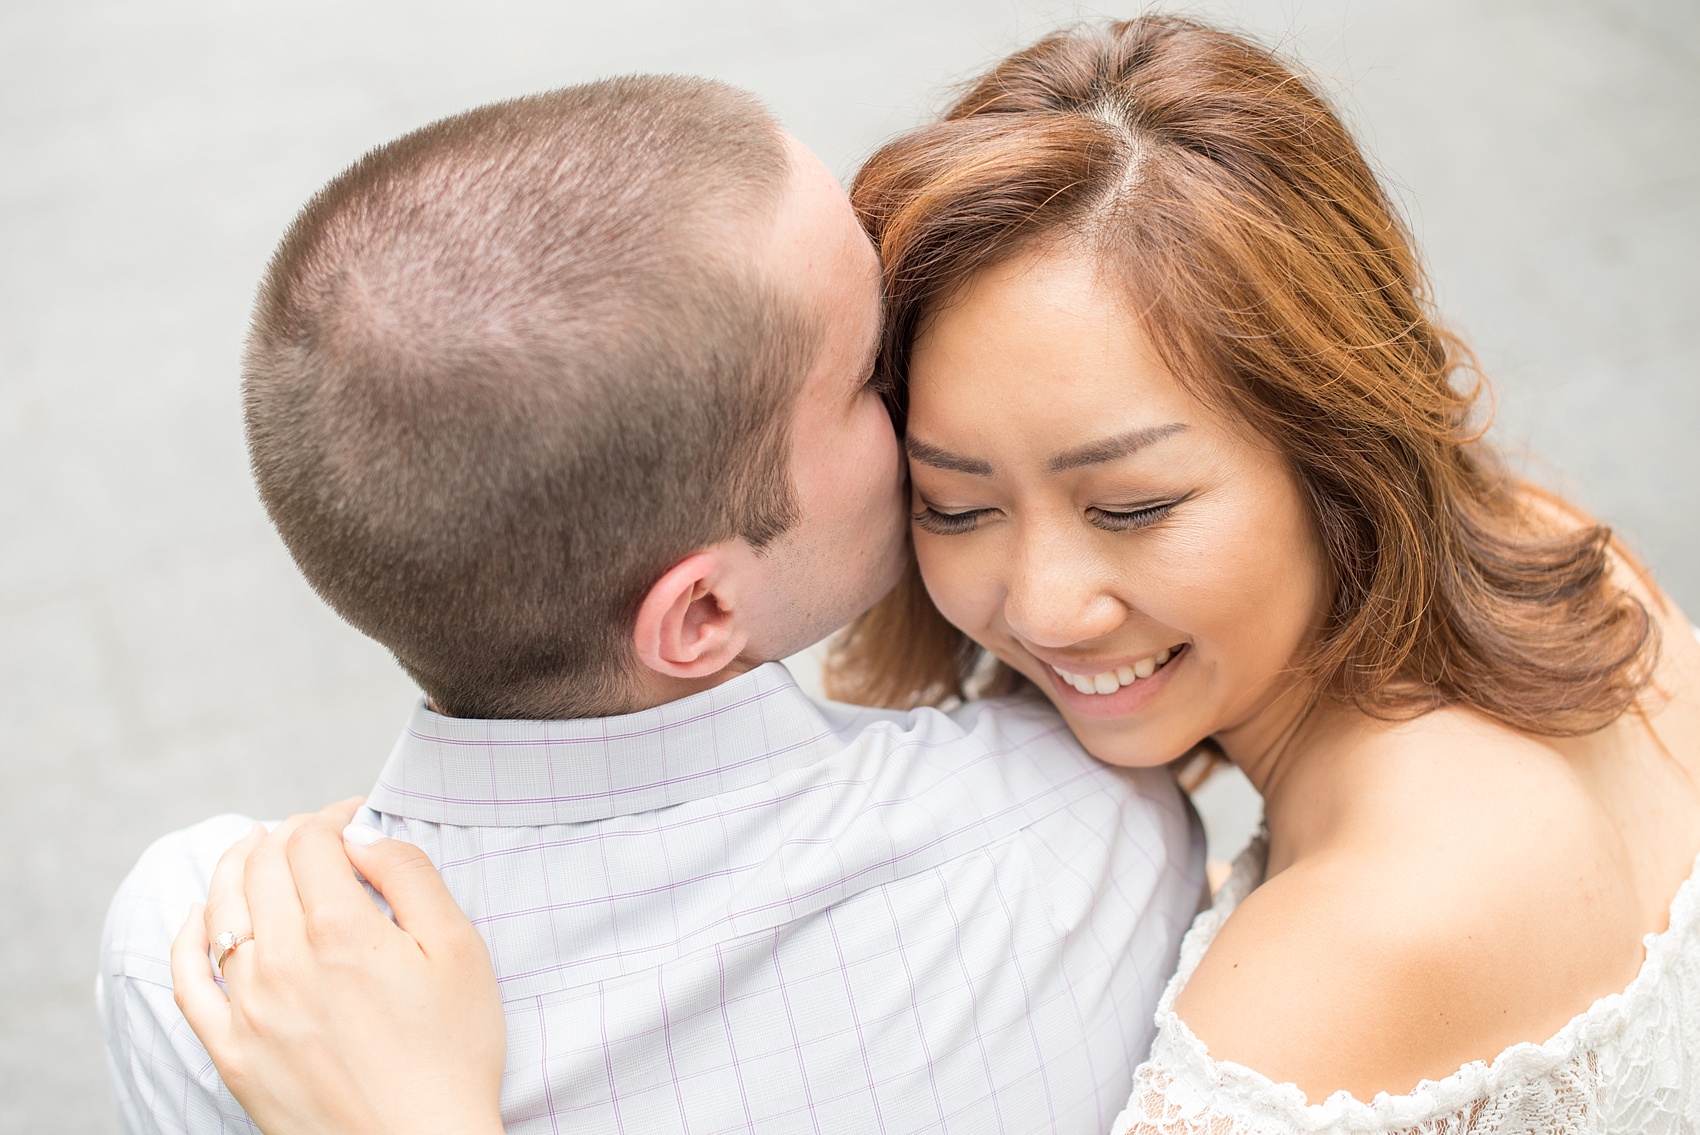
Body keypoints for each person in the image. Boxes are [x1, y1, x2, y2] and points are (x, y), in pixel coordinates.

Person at [169, 14, 1700, 1135]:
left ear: (1334, 432)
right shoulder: (1557, 552)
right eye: (955, 503)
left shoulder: (1342, 958)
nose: (1042, 602)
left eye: (1134, 503)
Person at [97, 75, 1205, 1135]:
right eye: (870, 373)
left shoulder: (199, 955)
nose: (922, 385)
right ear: (700, 615)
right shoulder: (1076, 834)